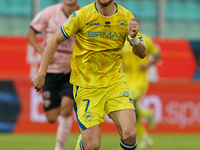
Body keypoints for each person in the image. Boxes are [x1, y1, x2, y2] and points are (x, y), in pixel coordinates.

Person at [31, 0, 147, 150]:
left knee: (130, 134)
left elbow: (142, 53)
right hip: (86, 86)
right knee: (92, 145)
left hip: (114, 84)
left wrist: (133, 39)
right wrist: (42, 72)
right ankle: (83, 144)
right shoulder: (82, 15)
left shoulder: (126, 16)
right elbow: (54, 40)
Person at [27, 1, 80, 150]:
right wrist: (42, 52)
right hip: (50, 71)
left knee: (66, 108)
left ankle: (59, 147)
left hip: (72, 71)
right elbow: (30, 33)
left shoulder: (84, 15)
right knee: (51, 117)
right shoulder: (49, 13)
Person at [122, 16, 161, 149]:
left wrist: (148, 65)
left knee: (130, 107)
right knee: (129, 111)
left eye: (134, 24)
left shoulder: (145, 40)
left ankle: (145, 117)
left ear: (138, 25)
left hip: (139, 79)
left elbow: (157, 54)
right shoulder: (123, 41)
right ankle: (146, 129)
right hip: (126, 79)